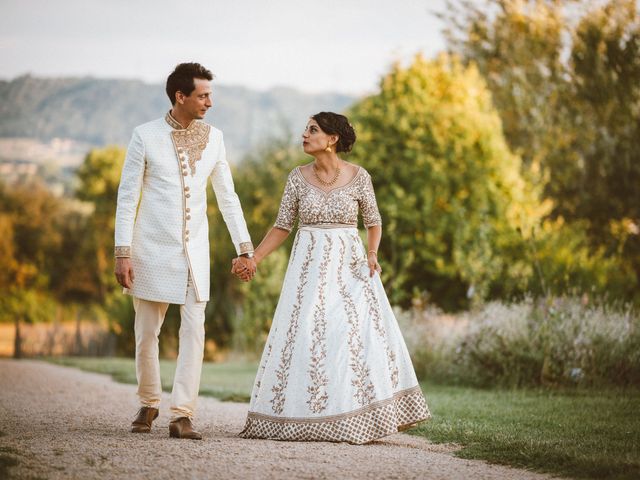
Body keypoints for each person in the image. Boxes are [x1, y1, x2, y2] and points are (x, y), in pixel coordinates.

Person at [235, 112, 430, 444]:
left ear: (332, 138)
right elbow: (283, 226)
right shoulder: (296, 178)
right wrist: (255, 258)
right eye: (305, 129)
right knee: (309, 331)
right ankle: (308, 418)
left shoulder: (359, 176)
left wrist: (372, 255)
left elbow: (373, 220)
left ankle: (359, 417)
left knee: (352, 335)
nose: (304, 135)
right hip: (308, 268)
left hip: (350, 266)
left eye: (312, 130)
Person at [114, 62, 256, 440]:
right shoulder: (144, 136)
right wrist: (122, 252)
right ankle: (148, 402)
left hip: (195, 252)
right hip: (150, 250)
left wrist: (245, 248)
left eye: (210, 94)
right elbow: (127, 197)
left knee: (195, 330)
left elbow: (228, 196)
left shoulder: (215, 138)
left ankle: (182, 414)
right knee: (146, 332)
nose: (210, 101)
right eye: (203, 95)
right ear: (181, 96)